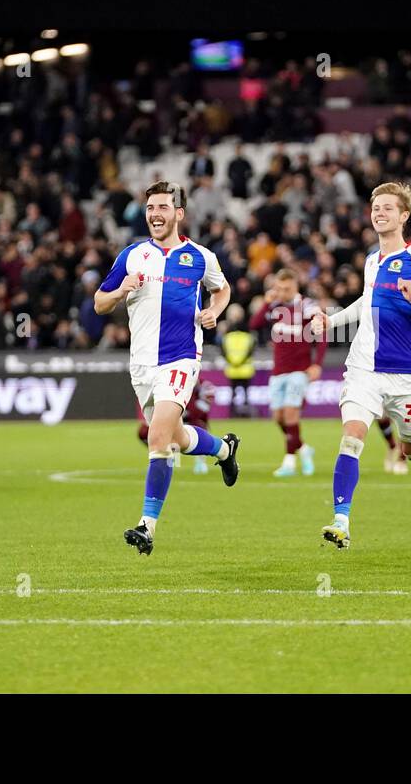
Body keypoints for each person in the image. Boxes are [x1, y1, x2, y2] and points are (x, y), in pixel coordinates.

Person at [309, 182, 411, 549]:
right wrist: (331, 321)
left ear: (404, 216)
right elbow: (366, 303)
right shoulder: (372, 259)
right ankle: (341, 521)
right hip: (364, 369)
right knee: (352, 438)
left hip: (405, 374)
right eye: (375, 207)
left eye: (387, 208)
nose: (379, 213)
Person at [94, 181, 241, 556]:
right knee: (174, 436)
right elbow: (99, 304)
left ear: (180, 213)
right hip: (141, 364)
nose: (155, 214)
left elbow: (222, 289)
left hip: (180, 359)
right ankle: (223, 449)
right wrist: (120, 289)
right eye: (150, 208)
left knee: (157, 438)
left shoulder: (201, 257)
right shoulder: (131, 255)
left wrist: (214, 311)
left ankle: (147, 526)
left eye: (162, 207)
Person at [250, 268, 325, 477]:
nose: (282, 292)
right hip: (278, 370)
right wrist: (267, 301)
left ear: (295, 287)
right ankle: (302, 448)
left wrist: (316, 364)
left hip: (299, 369)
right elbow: (254, 324)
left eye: (286, 288)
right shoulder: (274, 306)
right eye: (279, 288)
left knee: (291, 413)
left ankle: (290, 462)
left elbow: (321, 336)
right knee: (279, 417)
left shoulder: (308, 307)